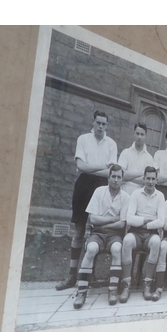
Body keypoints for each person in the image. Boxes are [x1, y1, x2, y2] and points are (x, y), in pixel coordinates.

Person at [56, 110, 117, 291]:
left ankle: (90, 275)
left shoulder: (111, 144)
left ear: (107, 125)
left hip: (101, 188)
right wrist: (99, 168)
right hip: (83, 186)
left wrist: (91, 168)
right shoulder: (83, 139)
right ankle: (72, 276)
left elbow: (110, 172)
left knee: (97, 231)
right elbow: (80, 166)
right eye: (98, 123)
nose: (101, 126)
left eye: (104, 124)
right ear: (93, 122)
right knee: (79, 231)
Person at [73, 165, 130, 309]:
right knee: (91, 248)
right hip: (97, 233)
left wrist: (104, 221)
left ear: (122, 179)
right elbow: (92, 219)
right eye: (113, 176)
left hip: (114, 236)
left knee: (117, 249)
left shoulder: (125, 197)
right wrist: (112, 219)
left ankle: (112, 290)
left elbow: (122, 224)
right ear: (108, 177)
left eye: (119, 177)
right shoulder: (99, 192)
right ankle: (82, 291)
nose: (116, 180)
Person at [119, 166, 165, 303]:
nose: (150, 182)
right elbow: (129, 218)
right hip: (136, 232)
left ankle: (147, 284)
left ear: (156, 180)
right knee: (127, 241)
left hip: (151, 234)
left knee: (157, 242)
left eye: (153, 179)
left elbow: (161, 221)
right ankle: (126, 285)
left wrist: (147, 225)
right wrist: (146, 220)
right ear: (144, 179)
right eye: (148, 178)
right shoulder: (135, 194)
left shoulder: (160, 196)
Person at [117, 122, 155, 196]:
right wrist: (141, 174)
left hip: (140, 193)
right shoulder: (126, 152)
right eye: (137, 134)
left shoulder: (149, 158)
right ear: (134, 134)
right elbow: (121, 174)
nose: (139, 137)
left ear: (146, 136)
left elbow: (146, 180)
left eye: (142, 134)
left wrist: (128, 177)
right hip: (124, 191)